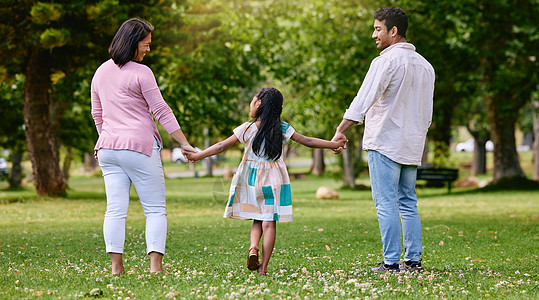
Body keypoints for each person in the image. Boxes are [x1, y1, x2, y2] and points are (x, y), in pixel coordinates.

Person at [185, 87, 345, 275]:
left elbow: (221, 146)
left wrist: (198, 156)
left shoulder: (247, 128)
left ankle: (253, 247)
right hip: (274, 179)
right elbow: (308, 141)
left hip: (251, 179)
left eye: (252, 102)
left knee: (256, 217)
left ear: (259, 104)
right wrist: (334, 144)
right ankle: (264, 268)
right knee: (269, 222)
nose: (250, 106)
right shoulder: (283, 128)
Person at [331, 7, 435, 272]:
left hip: (384, 141)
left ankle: (390, 262)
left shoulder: (385, 62)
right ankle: (413, 261)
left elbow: (363, 99)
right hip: (411, 144)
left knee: (386, 203)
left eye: (378, 29)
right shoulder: (426, 66)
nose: (373, 34)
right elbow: (427, 112)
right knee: (408, 202)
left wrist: (342, 129)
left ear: (393, 31)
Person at [91, 18, 195, 275]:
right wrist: (184, 143)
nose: (148, 49)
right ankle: (155, 268)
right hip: (139, 147)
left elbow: (97, 113)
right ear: (131, 43)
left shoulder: (100, 71)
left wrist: (108, 137)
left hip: (107, 149)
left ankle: (117, 269)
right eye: (145, 44)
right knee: (155, 209)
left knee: (114, 210)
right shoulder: (142, 73)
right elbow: (161, 110)